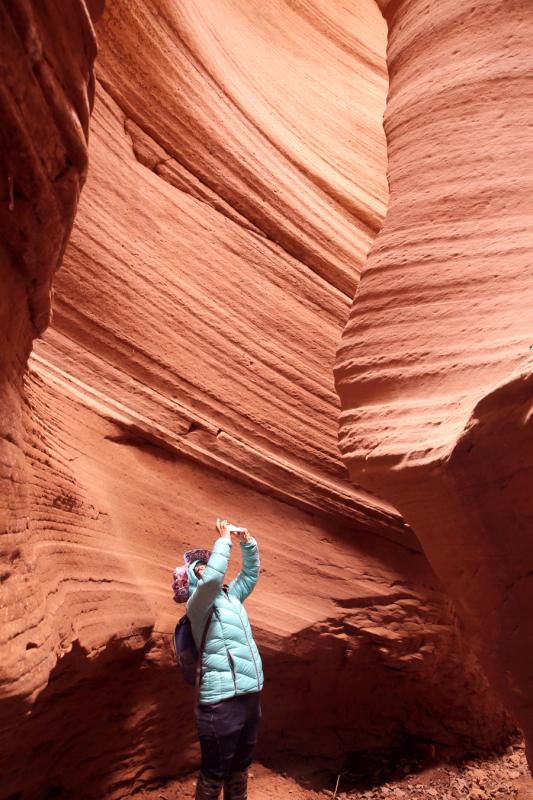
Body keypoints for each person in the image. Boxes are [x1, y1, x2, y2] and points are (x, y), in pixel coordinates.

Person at [184, 518, 264, 800]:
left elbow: (250, 575)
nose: (205, 568)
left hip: (249, 692)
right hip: (220, 700)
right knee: (215, 771)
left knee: (240, 766)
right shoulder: (197, 605)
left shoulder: (232, 597)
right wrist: (224, 540)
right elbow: (212, 581)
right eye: (199, 568)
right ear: (193, 579)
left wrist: (248, 542)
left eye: (206, 564)